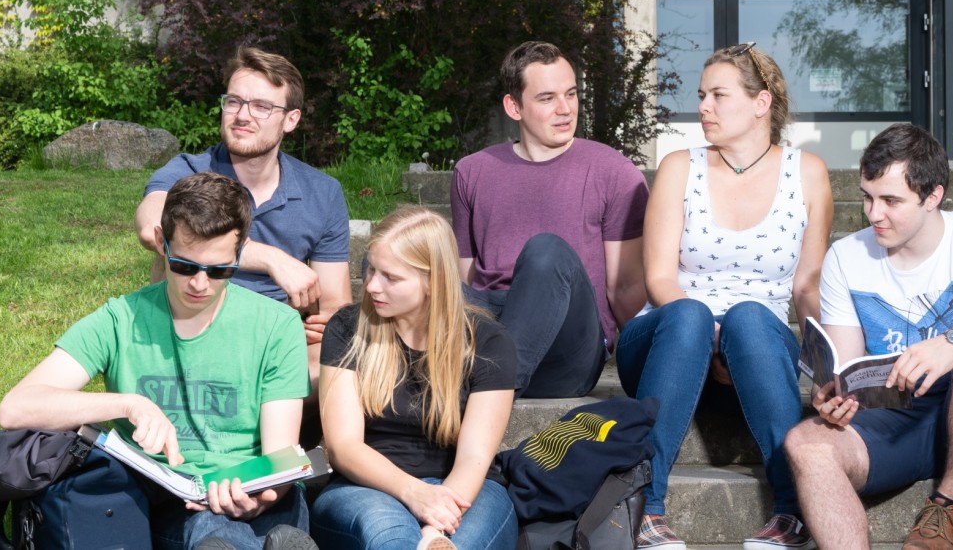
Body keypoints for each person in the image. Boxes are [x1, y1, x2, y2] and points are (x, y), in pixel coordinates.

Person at [0, 173, 315, 550]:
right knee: (216, 531)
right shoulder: (121, 319)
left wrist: (264, 497)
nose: (200, 284)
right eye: (185, 266)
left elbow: (279, 456)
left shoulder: (276, 324)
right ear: (162, 244)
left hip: (261, 497)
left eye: (219, 271)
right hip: (172, 499)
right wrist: (127, 403)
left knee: (239, 529)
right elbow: (16, 408)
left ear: (240, 252)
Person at [783, 123, 953, 550]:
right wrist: (832, 395)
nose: (875, 214)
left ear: (933, 196)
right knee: (805, 442)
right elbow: (846, 366)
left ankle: (946, 512)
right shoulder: (847, 256)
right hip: (899, 419)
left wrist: (952, 343)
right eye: (868, 196)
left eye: (891, 200)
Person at [615, 42, 831, 550]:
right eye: (701, 95)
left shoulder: (809, 173)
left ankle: (792, 512)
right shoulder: (678, 166)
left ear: (761, 103)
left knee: (752, 318)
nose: (703, 107)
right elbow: (659, 279)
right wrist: (709, 336)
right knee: (689, 313)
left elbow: (807, 287)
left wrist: (827, 366)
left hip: (752, 358)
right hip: (667, 341)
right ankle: (645, 508)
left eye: (718, 95)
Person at [133, 47, 351, 416]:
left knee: (337, 365)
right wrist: (269, 258)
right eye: (234, 101)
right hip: (189, 328)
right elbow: (151, 227)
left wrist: (302, 334)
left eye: (261, 106)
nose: (243, 115)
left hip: (274, 343)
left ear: (291, 119)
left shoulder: (322, 193)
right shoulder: (186, 172)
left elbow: (331, 306)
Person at [310, 207, 518, 550]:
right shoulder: (348, 328)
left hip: (467, 490)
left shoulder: (488, 341)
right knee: (389, 535)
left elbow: (474, 456)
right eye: (371, 270)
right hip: (367, 486)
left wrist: (435, 527)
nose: (373, 285)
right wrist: (415, 493)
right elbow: (344, 447)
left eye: (390, 277)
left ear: (432, 282)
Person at [450, 40, 649, 399]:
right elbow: (466, 277)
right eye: (547, 98)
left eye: (571, 94)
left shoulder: (614, 172)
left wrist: (640, 360)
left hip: (569, 348)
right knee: (396, 257)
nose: (565, 109)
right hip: (492, 324)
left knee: (546, 253)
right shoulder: (472, 172)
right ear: (514, 107)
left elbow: (626, 287)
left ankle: (483, 396)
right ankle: (484, 378)